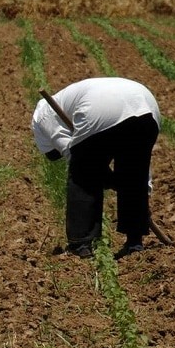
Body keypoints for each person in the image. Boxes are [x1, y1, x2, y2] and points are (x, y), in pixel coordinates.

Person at [31, 77, 160, 258]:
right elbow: (140, 171)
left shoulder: (42, 114)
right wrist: (138, 189)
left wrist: (103, 175)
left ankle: (80, 243)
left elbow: (72, 154)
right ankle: (134, 241)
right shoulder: (64, 101)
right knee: (133, 174)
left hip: (101, 108)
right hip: (146, 105)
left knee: (83, 175)